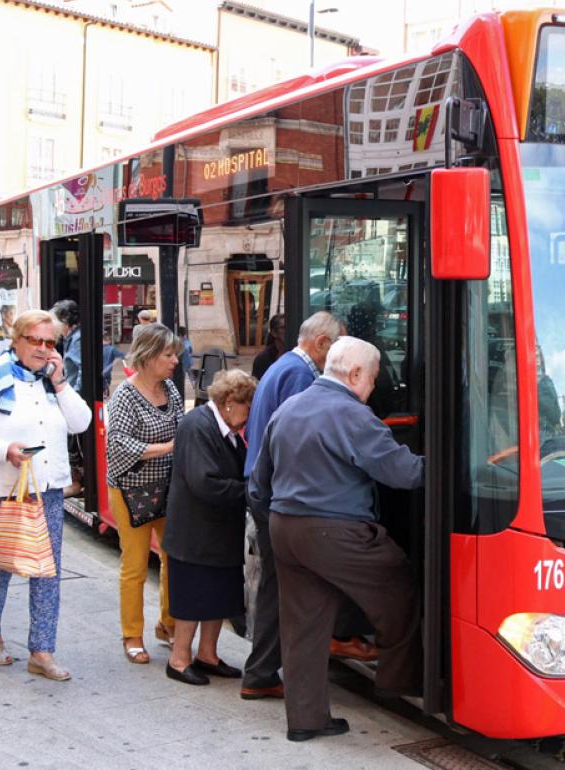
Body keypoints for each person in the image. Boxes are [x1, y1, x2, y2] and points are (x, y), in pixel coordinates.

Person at [249, 336, 425, 741]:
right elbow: (403, 472)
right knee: (400, 587)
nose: (374, 388)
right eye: (374, 378)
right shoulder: (352, 415)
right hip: (335, 531)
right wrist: (456, 466)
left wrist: (276, 522)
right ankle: (398, 683)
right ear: (356, 373)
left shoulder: (289, 408)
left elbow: (259, 484)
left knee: (303, 628)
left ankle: (306, 721)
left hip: (284, 527)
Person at [0, 309, 91, 680]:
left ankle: (42, 651)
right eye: (36, 341)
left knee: (47, 572)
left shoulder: (52, 382)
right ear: (17, 341)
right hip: (0, 490)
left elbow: (81, 423)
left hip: (45, 491)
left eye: (51, 342)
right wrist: (5, 451)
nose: (44, 349)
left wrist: (61, 382)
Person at [240, 311, 345, 700]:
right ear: (321, 343)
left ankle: (262, 670)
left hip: (263, 488)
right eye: (336, 348)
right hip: (275, 494)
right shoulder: (302, 376)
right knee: (281, 588)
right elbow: (298, 439)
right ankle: (263, 671)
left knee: (275, 585)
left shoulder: (284, 365)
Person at [161, 369, 256, 685]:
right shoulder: (197, 425)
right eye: (247, 408)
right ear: (230, 402)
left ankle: (207, 655)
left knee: (220, 597)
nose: (248, 417)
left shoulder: (223, 426)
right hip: (195, 535)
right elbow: (204, 482)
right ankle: (179, 660)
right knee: (192, 599)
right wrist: (248, 491)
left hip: (219, 534)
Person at [105, 323, 183, 665]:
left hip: (167, 489)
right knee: (135, 566)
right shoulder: (125, 395)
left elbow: (182, 426)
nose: (174, 361)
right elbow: (118, 443)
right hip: (130, 491)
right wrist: (169, 447)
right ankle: (132, 635)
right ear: (149, 356)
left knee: (173, 560)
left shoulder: (171, 390)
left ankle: (168, 624)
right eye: (168, 354)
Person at [51, 300, 82, 393]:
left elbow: (82, 372)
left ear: (65, 321)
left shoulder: (77, 339)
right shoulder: (69, 338)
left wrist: (75, 394)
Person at [251, 314, 286, 380]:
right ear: (274, 332)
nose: (289, 331)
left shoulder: (296, 352)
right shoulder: (263, 359)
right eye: (284, 328)